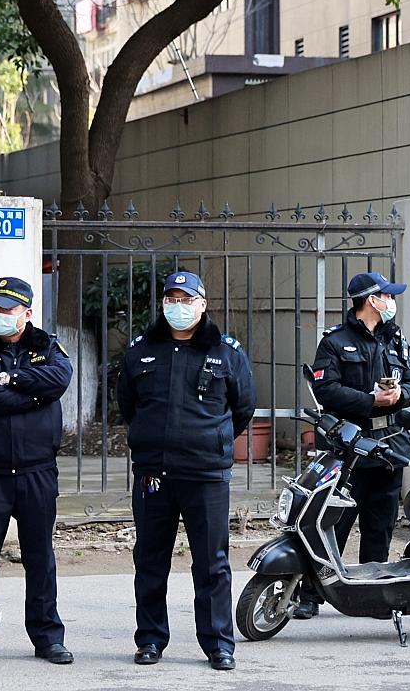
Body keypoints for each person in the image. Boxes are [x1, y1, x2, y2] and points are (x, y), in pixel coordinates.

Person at [117, 270, 255, 671]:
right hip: (153, 473)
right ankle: (150, 640)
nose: (178, 307)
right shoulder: (141, 350)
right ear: (163, 304)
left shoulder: (227, 352)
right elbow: (128, 405)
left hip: (206, 474)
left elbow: (242, 408)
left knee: (212, 563)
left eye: (186, 299)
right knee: (150, 559)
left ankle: (218, 644)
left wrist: (210, 440)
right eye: (172, 299)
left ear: (202, 304)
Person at [0, 276, 74, 668]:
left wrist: (16, 379)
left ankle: (47, 637)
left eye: (8, 309)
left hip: (37, 470)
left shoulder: (47, 348)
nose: (0, 315)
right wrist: (34, 398)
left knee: (40, 555)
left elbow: (59, 380)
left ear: (27, 313)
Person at [297, 271, 410, 619]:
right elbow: (326, 389)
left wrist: (399, 395)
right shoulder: (334, 342)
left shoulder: (395, 339)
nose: (391, 303)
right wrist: (370, 401)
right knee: (333, 522)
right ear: (372, 301)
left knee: (379, 524)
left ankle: (374, 593)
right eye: (387, 296)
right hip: (351, 446)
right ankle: (312, 593)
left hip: (391, 444)